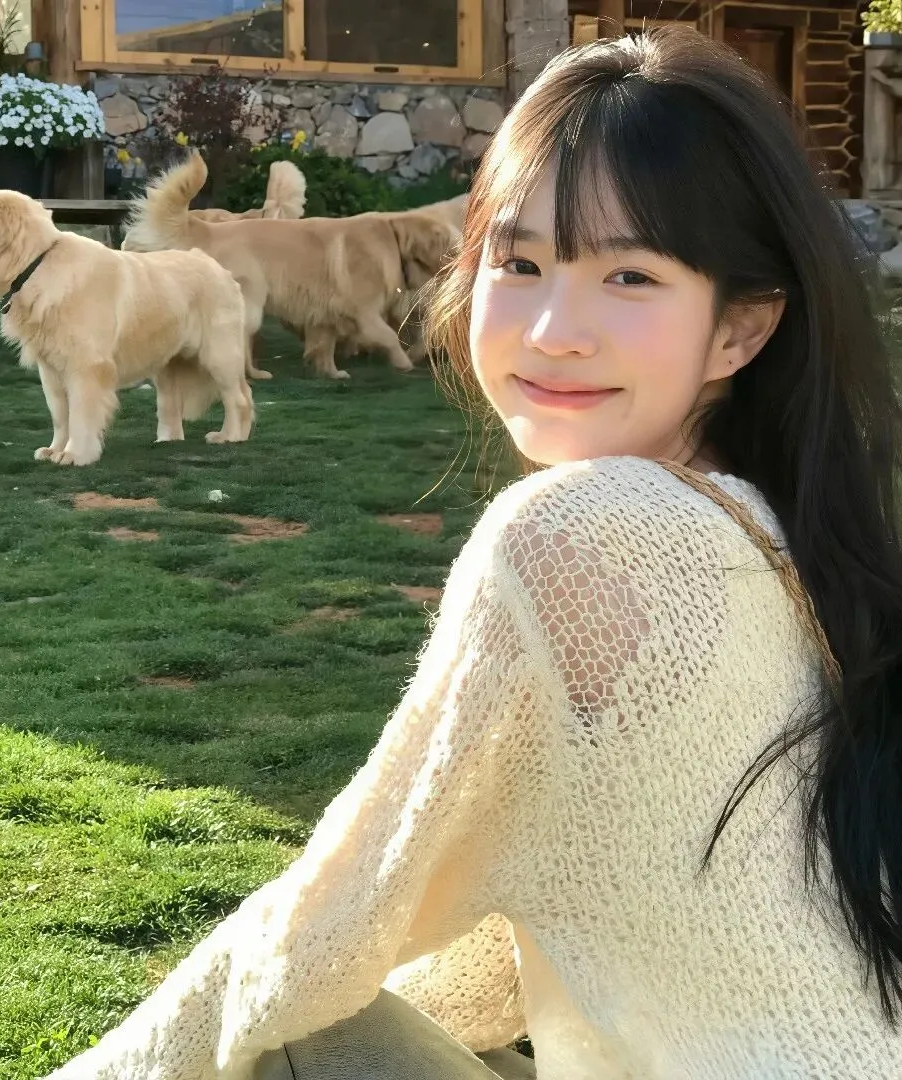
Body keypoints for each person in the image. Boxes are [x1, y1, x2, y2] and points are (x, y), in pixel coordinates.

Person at [45, 28, 902, 1079]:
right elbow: (542, 899)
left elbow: (323, 934)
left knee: (291, 1028)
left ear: (742, 329)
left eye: (629, 275)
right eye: (521, 263)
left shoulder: (579, 534)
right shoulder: (782, 535)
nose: (551, 330)